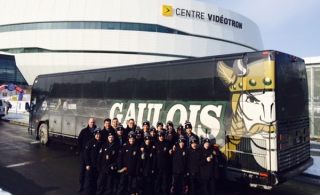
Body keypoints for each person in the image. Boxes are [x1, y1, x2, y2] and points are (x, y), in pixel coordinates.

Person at [77, 118, 96, 192]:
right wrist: (81, 151)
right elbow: (79, 141)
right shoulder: (84, 131)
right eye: (91, 122)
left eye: (93, 122)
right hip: (84, 154)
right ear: (88, 123)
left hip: (92, 155)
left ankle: (89, 186)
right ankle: (81, 185)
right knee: (82, 171)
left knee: (90, 171)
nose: (92, 123)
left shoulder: (96, 132)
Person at [84, 127, 104, 195]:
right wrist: (87, 164)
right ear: (94, 134)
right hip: (90, 166)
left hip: (97, 166)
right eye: (97, 134)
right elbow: (86, 154)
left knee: (95, 181)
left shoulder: (102, 143)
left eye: (99, 134)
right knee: (89, 181)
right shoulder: (90, 142)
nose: (98, 136)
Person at [154, 130, 172, 195]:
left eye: (162, 136)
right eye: (160, 136)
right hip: (158, 167)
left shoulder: (167, 143)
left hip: (165, 167)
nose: (161, 137)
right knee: (157, 181)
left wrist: (171, 150)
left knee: (165, 182)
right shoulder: (156, 143)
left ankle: (164, 193)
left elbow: (171, 149)